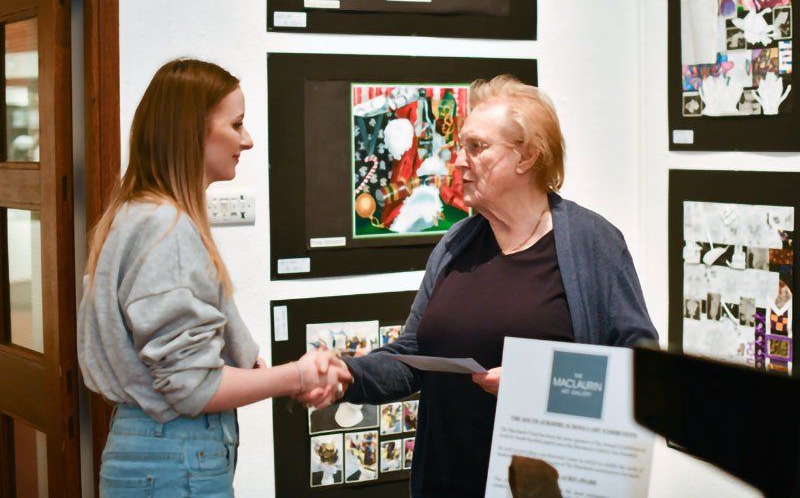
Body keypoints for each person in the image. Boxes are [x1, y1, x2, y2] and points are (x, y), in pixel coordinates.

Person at [298, 75, 658, 497]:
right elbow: (414, 353)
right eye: (460, 146)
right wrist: (349, 374)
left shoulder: (592, 244)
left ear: (527, 156)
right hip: (446, 482)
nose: (459, 160)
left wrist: (538, 383)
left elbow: (641, 371)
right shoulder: (456, 244)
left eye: (476, 147)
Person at [77, 59, 350, 497]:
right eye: (236, 124)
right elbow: (193, 387)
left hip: (159, 454)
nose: (248, 140)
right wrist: (296, 376)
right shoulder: (165, 228)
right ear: (191, 131)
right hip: (175, 459)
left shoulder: (139, 216)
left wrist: (253, 368)